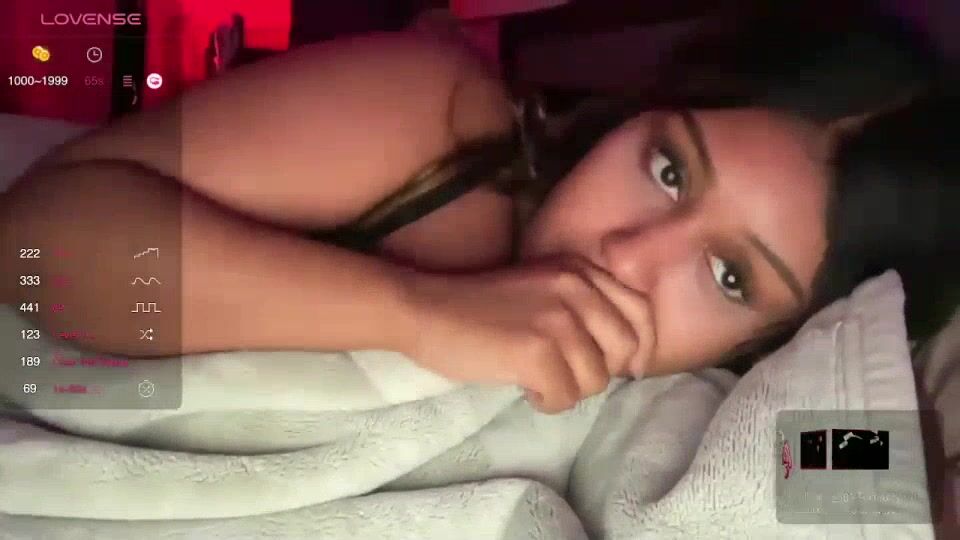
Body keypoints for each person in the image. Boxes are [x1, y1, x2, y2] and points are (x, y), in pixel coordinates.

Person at [1, 7, 957, 414]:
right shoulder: (442, 119)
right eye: (668, 169)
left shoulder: (718, 407)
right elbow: (31, 243)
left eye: (730, 276)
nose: (629, 255)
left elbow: (870, 481)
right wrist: (415, 313)